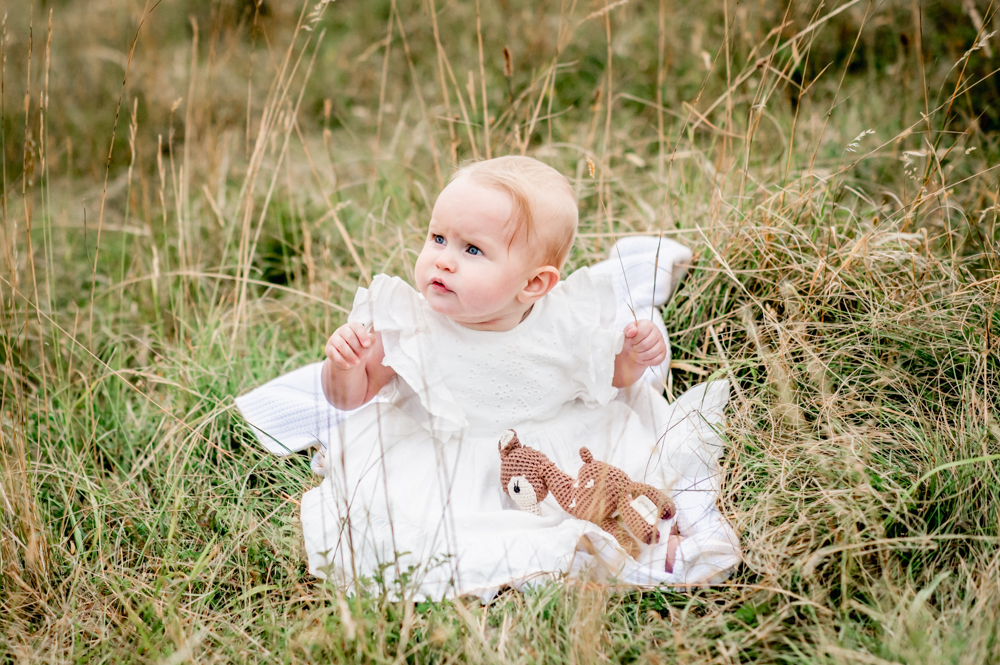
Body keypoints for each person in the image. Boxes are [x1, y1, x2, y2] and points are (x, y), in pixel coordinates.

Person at [300, 156, 739, 600]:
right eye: (438, 238)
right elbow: (349, 398)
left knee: (614, 496)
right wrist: (344, 366)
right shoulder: (410, 323)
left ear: (532, 285)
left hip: (557, 450)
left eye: (472, 250)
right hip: (446, 460)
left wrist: (633, 357)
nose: (443, 261)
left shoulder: (563, 321)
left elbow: (612, 377)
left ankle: (652, 542)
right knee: (427, 532)